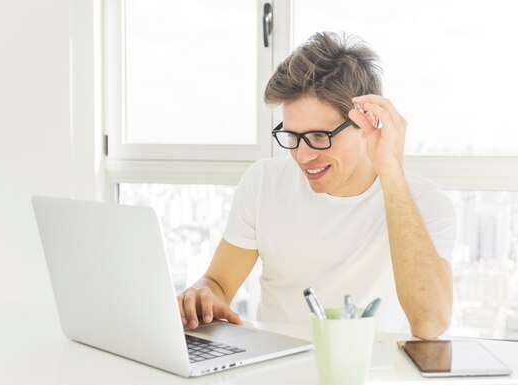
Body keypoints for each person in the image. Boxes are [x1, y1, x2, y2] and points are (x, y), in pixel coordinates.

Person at [177, 32, 456, 338]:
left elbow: (430, 324)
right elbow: (218, 284)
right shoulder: (263, 182)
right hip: (272, 369)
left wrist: (391, 175)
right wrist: (201, 295)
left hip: (370, 372)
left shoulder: (423, 202)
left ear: (367, 123)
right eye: (293, 136)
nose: (302, 155)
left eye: (320, 137)